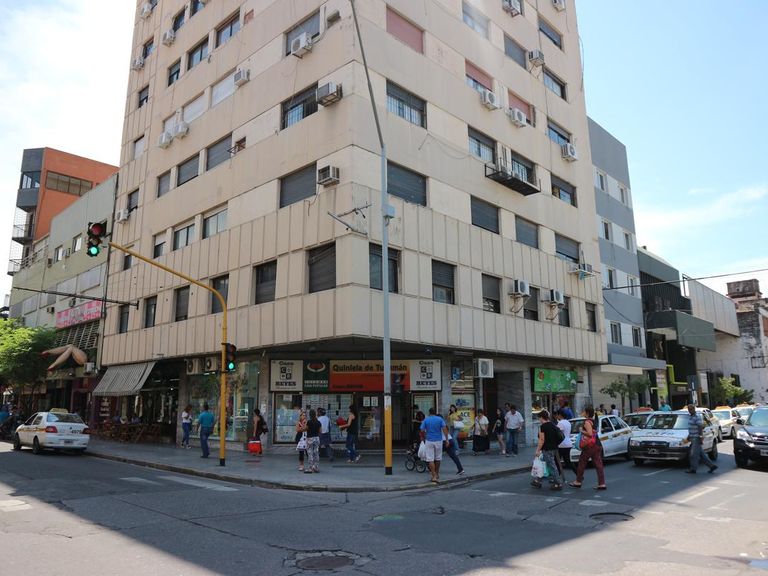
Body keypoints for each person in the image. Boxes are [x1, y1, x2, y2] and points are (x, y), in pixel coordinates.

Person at [569, 406, 606, 490]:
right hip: (597, 444)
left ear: (587, 413)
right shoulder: (594, 421)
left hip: (589, 446)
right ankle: (602, 483)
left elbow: (589, 434)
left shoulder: (587, 422)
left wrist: (582, 430)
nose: (582, 413)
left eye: (584, 411)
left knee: (582, 462)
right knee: (598, 464)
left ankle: (578, 481)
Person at [532, 410, 564, 490]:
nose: (539, 419)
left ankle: (558, 483)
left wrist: (537, 450)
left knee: (552, 466)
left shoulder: (542, 427)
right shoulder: (553, 425)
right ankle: (537, 480)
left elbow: (541, 440)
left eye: (539, 418)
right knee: (542, 464)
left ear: (541, 417)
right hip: (554, 448)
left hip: (547, 449)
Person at [420, 407, 449, 483]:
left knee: (430, 459)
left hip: (429, 440)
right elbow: (445, 429)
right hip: (438, 440)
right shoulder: (440, 419)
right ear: (435, 412)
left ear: (429, 413)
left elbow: (422, 430)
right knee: (438, 458)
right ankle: (437, 473)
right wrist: (447, 440)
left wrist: (424, 436)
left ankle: (433, 476)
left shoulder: (426, 420)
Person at [686, 404, 717, 474]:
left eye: (691, 409)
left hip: (696, 438)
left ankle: (693, 469)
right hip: (692, 437)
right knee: (701, 454)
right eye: (689, 409)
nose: (690, 411)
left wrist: (700, 436)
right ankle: (712, 466)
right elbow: (691, 427)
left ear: (694, 409)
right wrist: (689, 436)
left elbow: (700, 427)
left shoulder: (697, 417)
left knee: (693, 454)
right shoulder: (691, 417)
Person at [555, 410, 576, 476]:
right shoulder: (568, 422)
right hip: (568, 443)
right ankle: (578, 473)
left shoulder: (560, 423)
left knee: (556, 460)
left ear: (560, 415)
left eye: (557, 415)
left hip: (562, 444)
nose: (557, 416)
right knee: (567, 461)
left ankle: (558, 474)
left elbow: (558, 434)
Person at [305, 409, 321, 473]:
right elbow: (320, 431)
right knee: (316, 453)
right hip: (316, 438)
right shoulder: (318, 422)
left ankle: (310, 468)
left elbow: (306, 428)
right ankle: (316, 467)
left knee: (310, 453)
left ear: (310, 415)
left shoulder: (309, 422)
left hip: (310, 439)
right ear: (315, 414)